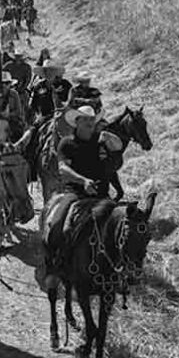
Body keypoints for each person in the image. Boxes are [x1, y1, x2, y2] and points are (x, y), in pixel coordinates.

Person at [41, 105, 117, 287]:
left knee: (122, 226)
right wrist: (83, 181)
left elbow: (117, 153)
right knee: (58, 222)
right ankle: (54, 264)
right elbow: (63, 169)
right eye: (86, 119)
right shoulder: (67, 143)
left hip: (102, 195)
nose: (91, 123)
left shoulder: (101, 142)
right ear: (77, 122)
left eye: (93, 120)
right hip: (75, 193)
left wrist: (111, 141)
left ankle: (121, 269)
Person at [0, 72, 26, 143]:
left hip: (11, 120)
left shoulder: (14, 94)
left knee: (17, 134)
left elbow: (18, 111)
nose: (4, 85)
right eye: (1, 83)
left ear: (10, 84)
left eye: (6, 83)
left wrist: (8, 115)